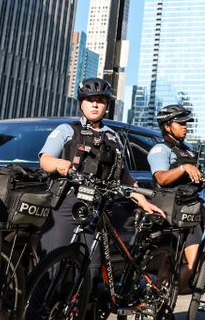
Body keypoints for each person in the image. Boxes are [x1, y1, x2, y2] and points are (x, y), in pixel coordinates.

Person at [38, 78, 164, 261]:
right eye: (90, 100)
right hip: (68, 203)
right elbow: (45, 160)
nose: (95, 105)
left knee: (92, 269)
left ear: (106, 105)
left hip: (99, 208)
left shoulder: (113, 137)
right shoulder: (66, 130)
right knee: (52, 265)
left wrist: (143, 201)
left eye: (101, 101)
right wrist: (59, 163)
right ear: (81, 103)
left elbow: (125, 176)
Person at [148, 104, 205, 293]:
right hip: (169, 214)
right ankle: (159, 303)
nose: (185, 126)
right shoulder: (160, 149)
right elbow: (161, 178)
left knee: (195, 264)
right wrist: (183, 168)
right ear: (166, 126)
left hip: (190, 213)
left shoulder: (187, 149)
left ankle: (166, 298)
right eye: (179, 123)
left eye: (186, 123)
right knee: (166, 263)